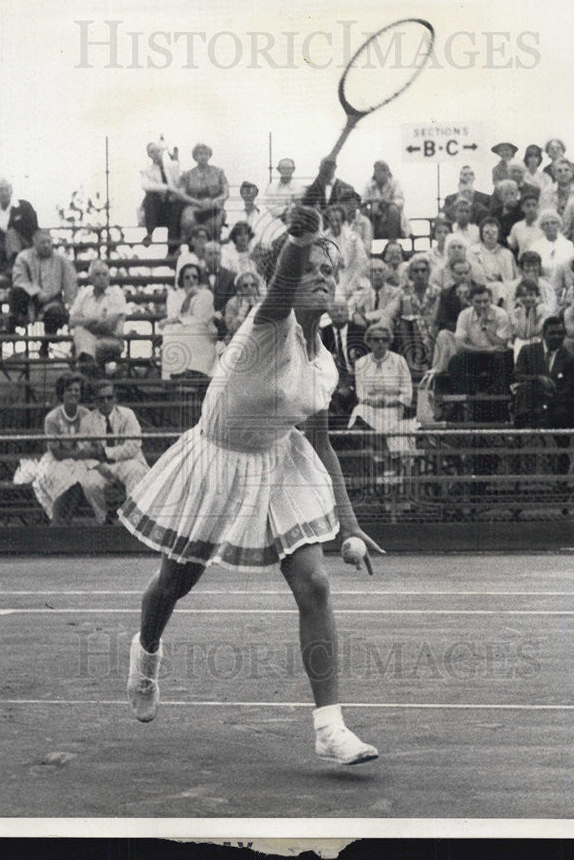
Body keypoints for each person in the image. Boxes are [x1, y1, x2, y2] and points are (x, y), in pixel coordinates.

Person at [119, 204, 383, 766]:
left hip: (278, 460)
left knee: (314, 584)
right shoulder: (266, 325)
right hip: (218, 459)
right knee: (174, 583)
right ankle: (145, 654)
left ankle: (329, 727)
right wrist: (299, 239)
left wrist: (351, 525)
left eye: (329, 270)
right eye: (309, 267)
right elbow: (284, 279)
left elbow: (322, 442)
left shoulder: (326, 363)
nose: (322, 276)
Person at [80, 381, 150, 524]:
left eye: (109, 397)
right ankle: (103, 520)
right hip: (101, 465)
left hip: (127, 461)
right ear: (95, 401)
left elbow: (133, 445)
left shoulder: (127, 415)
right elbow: (84, 451)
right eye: (101, 399)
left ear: (115, 399)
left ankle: (132, 520)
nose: (106, 402)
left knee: (136, 472)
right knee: (89, 482)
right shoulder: (87, 421)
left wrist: (106, 452)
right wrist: (98, 466)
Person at [348, 321, 417, 466]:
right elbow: (361, 393)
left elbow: (407, 392)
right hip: (371, 408)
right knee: (357, 415)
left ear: (389, 342)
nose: (380, 343)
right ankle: (385, 451)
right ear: (369, 342)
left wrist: (392, 401)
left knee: (381, 421)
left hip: (393, 409)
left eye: (384, 339)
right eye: (376, 339)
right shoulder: (361, 363)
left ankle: (386, 457)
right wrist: (372, 401)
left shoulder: (399, 361)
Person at [31, 373, 95, 526]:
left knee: (81, 476)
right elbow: (57, 452)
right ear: (62, 393)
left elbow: (91, 444)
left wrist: (82, 453)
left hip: (79, 459)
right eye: (69, 390)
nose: (74, 393)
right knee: (63, 476)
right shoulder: (52, 418)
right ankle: (57, 520)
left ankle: (65, 522)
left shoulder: (86, 414)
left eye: (76, 390)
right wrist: (78, 454)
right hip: (56, 460)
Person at [449, 283, 514, 421]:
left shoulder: (500, 314)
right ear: (470, 302)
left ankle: (500, 409)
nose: (483, 305)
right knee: (456, 361)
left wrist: (484, 327)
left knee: (501, 358)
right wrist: (485, 350)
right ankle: (464, 405)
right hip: (476, 354)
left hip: (496, 355)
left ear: (491, 300)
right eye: (478, 302)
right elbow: (460, 344)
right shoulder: (464, 315)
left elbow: (501, 344)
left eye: (486, 301)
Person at [8, 229, 79, 353]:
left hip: (53, 299)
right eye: (42, 242)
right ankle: (13, 325)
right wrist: (36, 292)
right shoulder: (23, 257)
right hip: (30, 298)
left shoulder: (61, 259)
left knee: (56, 313)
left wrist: (70, 304)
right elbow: (19, 279)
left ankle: (45, 345)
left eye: (48, 242)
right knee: (16, 292)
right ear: (34, 242)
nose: (46, 245)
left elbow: (70, 281)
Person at [512, 316, 574, 431]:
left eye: (560, 333)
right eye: (552, 333)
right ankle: (520, 436)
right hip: (531, 399)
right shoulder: (527, 351)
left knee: (562, 413)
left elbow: (570, 387)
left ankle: (561, 447)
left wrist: (551, 398)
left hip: (556, 402)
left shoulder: (570, 357)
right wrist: (538, 378)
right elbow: (518, 375)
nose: (557, 336)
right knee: (525, 390)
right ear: (543, 334)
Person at [158, 263, 219, 384]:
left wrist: (178, 320)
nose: (191, 280)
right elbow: (173, 315)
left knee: (194, 332)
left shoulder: (206, 294)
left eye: (194, 277)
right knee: (172, 334)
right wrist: (188, 299)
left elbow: (201, 318)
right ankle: (176, 374)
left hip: (201, 329)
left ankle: (196, 371)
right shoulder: (174, 295)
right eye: (187, 277)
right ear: (181, 279)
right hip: (177, 329)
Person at [69, 259, 127, 375]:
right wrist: (93, 320)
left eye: (105, 274)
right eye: (97, 274)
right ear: (90, 278)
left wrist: (84, 322)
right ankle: (91, 372)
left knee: (82, 346)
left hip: (111, 341)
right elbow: (71, 321)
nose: (101, 278)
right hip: (88, 340)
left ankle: (88, 372)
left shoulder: (116, 294)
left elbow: (109, 325)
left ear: (109, 277)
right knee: (80, 332)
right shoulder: (84, 294)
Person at [320, 298, 363, 423]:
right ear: (329, 313)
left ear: (348, 312)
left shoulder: (359, 331)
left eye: (342, 309)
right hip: (334, 377)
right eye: (335, 310)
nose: (339, 313)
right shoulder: (324, 333)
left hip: (355, 376)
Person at [178, 143, 230, 240]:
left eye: (206, 154)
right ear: (195, 156)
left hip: (213, 205)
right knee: (189, 221)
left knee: (213, 223)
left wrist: (215, 201)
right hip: (193, 205)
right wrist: (198, 202)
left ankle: (213, 249)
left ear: (209, 156)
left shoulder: (218, 172)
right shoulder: (187, 174)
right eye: (200, 154)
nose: (203, 156)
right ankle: (192, 250)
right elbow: (181, 194)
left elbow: (226, 193)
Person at [398, 254, 438, 379]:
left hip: (432, 326)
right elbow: (399, 312)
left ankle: (420, 363)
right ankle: (414, 363)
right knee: (408, 322)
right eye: (416, 271)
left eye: (423, 270)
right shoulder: (403, 291)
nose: (420, 273)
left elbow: (436, 315)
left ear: (428, 272)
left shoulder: (437, 291)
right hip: (410, 329)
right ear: (411, 274)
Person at [139, 140, 182, 248]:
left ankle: (172, 249)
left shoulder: (172, 166)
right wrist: (166, 188)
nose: (156, 154)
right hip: (156, 207)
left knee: (176, 205)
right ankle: (149, 234)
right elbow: (145, 185)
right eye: (152, 152)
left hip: (171, 204)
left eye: (158, 150)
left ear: (162, 151)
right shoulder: (146, 170)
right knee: (150, 197)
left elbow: (179, 184)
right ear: (149, 155)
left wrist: (172, 191)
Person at [467, 216, 516, 304]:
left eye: (494, 232)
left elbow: (510, 278)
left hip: (504, 292)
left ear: (498, 234)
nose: (490, 234)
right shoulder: (473, 252)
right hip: (479, 290)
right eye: (487, 232)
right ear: (481, 234)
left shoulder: (506, 254)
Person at [323, 203, 368, 297]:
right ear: (327, 222)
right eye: (331, 220)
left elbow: (361, 262)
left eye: (337, 220)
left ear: (343, 221)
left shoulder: (354, 237)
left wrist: (351, 286)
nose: (334, 223)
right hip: (330, 280)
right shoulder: (323, 239)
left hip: (352, 278)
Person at [348, 258, 403, 333]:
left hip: (387, 333)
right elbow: (347, 310)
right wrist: (354, 316)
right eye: (373, 271)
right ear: (368, 275)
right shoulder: (359, 294)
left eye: (380, 270)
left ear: (386, 274)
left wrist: (363, 316)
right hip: (364, 331)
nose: (377, 273)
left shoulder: (396, 292)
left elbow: (387, 313)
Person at [361, 160, 410, 239]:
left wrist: (386, 202)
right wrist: (371, 201)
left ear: (386, 172)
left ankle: (392, 241)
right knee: (362, 211)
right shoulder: (369, 184)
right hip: (374, 215)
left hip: (390, 215)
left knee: (393, 209)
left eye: (380, 171)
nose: (377, 174)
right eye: (376, 171)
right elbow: (362, 200)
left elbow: (400, 201)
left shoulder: (395, 183)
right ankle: (365, 242)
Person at [506, 278, 550, 360]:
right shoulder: (515, 312)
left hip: (540, 341)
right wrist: (523, 309)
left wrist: (532, 310)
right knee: (520, 342)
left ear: (537, 296)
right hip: (522, 342)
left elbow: (532, 332)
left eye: (531, 295)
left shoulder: (544, 310)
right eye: (524, 295)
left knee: (533, 340)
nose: (528, 298)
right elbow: (522, 334)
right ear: (518, 298)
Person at [238, 181, 286, 250]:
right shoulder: (238, 216)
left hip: (265, 248)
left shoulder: (264, 212)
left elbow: (272, 229)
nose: (248, 196)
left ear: (255, 195)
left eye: (251, 193)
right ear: (241, 195)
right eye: (245, 193)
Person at [224, 270, 264, 341]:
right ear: (240, 289)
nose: (250, 288)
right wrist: (243, 309)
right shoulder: (232, 303)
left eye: (253, 284)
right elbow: (231, 328)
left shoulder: (263, 301)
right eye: (245, 285)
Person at [507, 190, 542, 260]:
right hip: (523, 266)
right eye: (527, 205)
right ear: (522, 208)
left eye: (534, 205)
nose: (531, 209)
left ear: (538, 206)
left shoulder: (543, 225)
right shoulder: (517, 227)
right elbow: (512, 247)